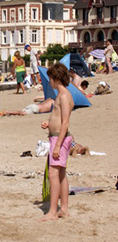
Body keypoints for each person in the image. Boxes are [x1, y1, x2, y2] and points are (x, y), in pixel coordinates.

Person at [39, 63, 74, 221]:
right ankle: (63, 209)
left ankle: (53, 211)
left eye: (50, 79)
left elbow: (65, 122)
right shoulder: (61, 95)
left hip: (59, 138)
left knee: (54, 174)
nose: (49, 82)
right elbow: (58, 117)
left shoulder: (64, 95)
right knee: (60, 174)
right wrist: (49, 123)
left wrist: (58, 145)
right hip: (56, 135)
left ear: (55, 78)